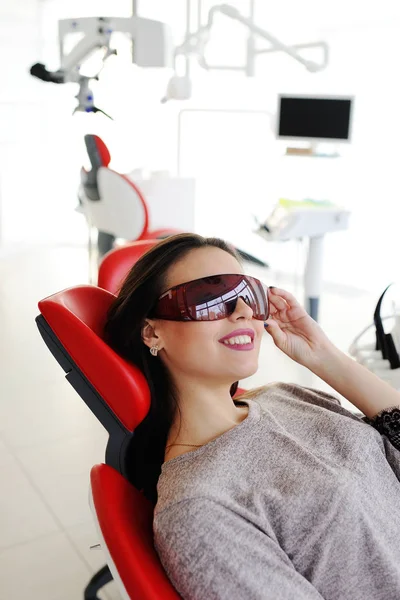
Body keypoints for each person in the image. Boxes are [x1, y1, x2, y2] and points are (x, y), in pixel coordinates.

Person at [104, 233, 400, 600]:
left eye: (249, 294)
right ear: (152, 331)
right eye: (211, 298)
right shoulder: (198, 508)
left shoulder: (286, 395)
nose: (242, 312)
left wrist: (324, 356)